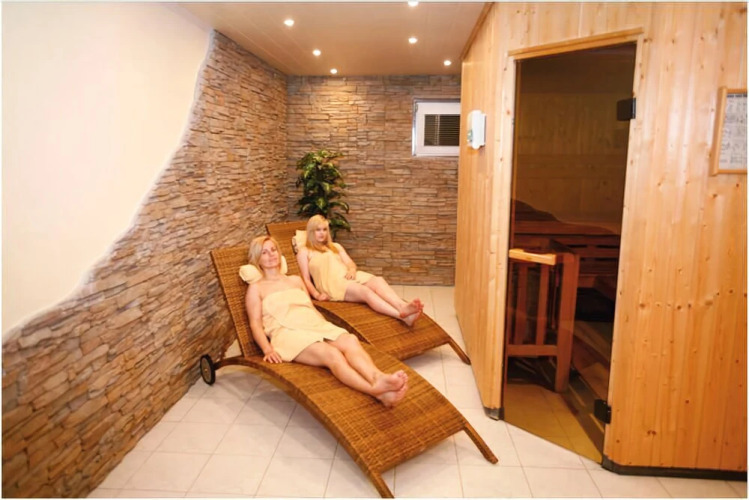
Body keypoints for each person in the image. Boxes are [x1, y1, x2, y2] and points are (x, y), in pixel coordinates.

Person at [245, 235, 408, 407]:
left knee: (350, 340)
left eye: (273, 250)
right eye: (264, 252)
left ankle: (378, 377)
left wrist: (326, 326)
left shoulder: (295, 280)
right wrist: (267, 349)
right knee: (332, 354)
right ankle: (376, 391)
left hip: (312, 324)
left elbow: (311, 308)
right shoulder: (256, 288)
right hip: (288, 334)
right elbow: (255, 323)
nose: (271, 255)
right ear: (257, 259)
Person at [296, 215, 424, 326]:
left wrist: (352, 270)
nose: (322, 233)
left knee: (378, 280)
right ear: (311, 232)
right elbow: (305, 278)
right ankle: (401, 316)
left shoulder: (335, 246)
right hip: (333, 284)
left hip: (348, 276)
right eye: (318, 230)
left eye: (324, 229)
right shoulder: (305, 251)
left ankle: (401, 306)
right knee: (365, 291)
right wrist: (317, 295)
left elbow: (350, 263)